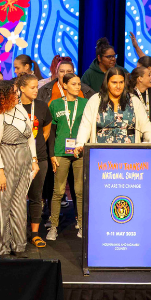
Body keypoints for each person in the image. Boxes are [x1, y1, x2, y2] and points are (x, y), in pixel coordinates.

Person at [0, 81, 38, 257]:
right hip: (4, 162)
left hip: (23, 162)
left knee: (19, 204)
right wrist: (0, 172)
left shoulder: (20, 110)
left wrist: (34, 160)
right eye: (13, 93)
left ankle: (18, 245)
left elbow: (30, 138)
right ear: (4, 96)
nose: (17, 96)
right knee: (0, 206)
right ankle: (1, 248)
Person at [74, 67, 151, 154]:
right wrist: (80, 144)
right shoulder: (95, 100)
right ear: (107, 83)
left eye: (121, 82)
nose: (118, 86)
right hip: (100, 154)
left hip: (129, 153)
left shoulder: (134, 100)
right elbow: (85, 126)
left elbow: (146, 125)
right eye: (114, 82)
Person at [48, 73, 86, 240]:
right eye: (74, 84)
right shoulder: (55, 104)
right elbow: (51, 133)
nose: (78, 87)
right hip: (60, 152)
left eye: (79, 84)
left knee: (80, 191)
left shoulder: (85, 104)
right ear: (64, 86)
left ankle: (82, 225)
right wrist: (52, 155)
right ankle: (53, 226)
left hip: (80, 152)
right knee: (58, 191)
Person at [17, 74, 52, 247]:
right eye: (31, 87)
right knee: (17, 197)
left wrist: (36, 148)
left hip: (40, 158)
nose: (35, 90)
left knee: (36, 196)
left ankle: (36, 233)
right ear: (22, 88)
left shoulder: (42, 106)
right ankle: (18, 231)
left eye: (36, 87)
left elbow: (46, 130)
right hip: (17, 158)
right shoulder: (13, 107)